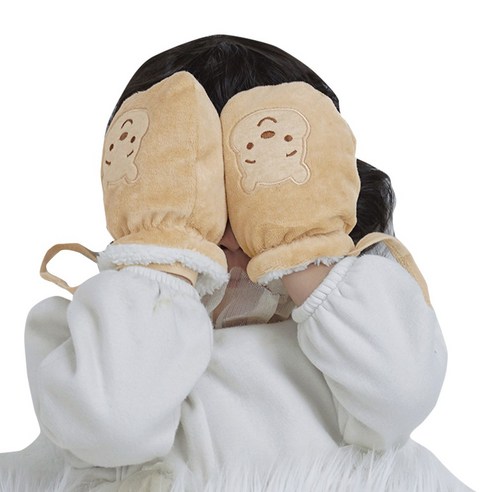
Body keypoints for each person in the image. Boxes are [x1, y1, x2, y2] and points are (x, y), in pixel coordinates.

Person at [0, 34, 472, 491]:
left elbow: (400, 396)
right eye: (203, 197)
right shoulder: (93, 331)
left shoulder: (360, 320)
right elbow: (113, 424)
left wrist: (298, 244)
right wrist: (168, 247)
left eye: (255, 194)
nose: (230, 236)